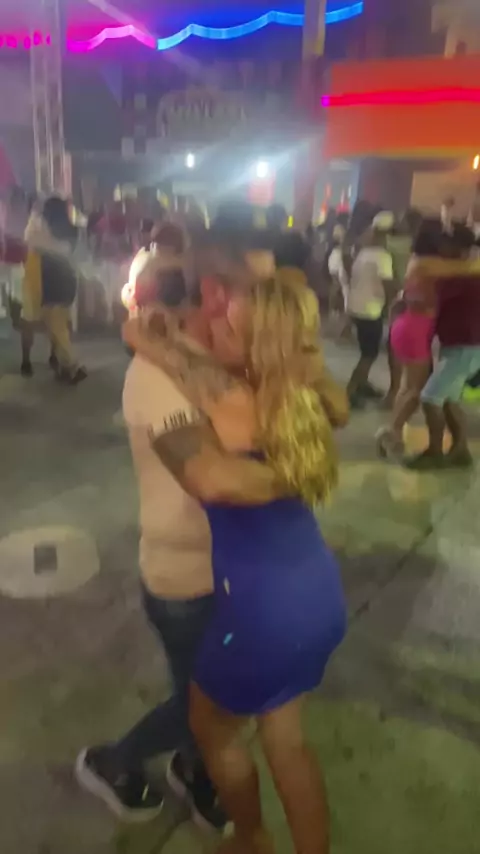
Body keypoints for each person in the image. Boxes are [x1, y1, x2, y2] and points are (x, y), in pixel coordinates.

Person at [120, 260, 348, 854]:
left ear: (255, 347)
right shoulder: (298, 397)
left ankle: (250, 838)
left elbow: (211, 478)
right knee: (286, 740)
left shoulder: (228, 399)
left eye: (229, 326)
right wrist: (303, 469)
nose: (215, 327)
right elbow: (151, 339)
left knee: (212, 729)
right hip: (319, 595)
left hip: (263, 616)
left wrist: (151, 333)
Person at [75, 246, 300, 830]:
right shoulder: (154, 374)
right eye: (261, 291)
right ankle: (115, 762)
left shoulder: (221, 355)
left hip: (232, 574)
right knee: (209, 705)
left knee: (207, 700)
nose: (273, 307)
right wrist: (301, 470)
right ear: (219, 296)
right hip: (185, 582)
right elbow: (212, 478)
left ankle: (196, 768)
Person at [404, 224, 480, 470]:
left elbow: (434, 299)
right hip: (459, 344)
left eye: (447, 244)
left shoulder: (465, 274)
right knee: (449, 400)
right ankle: (460, 450)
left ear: (460, 248)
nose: (442, 248)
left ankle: (435, 451)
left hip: (466, 346)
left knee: (430, 398)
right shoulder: (458, 272)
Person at [20, 196, 86, 383]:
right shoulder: (72, 230)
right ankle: (63, 365)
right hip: (67, 282)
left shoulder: (41, 231)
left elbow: (31, 240)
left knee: (56, 327)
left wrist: (34, 216)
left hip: (49, 284)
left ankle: (71, 365)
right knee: (58, 326)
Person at [345, 213, 395, 408]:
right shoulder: (383, 257)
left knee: (366, 350)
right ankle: (350, 391)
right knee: (369, 354)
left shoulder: (363, 253)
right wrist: (392, 305)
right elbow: (388, 285)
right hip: (371, 310)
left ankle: (363, 384)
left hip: (357, 307)